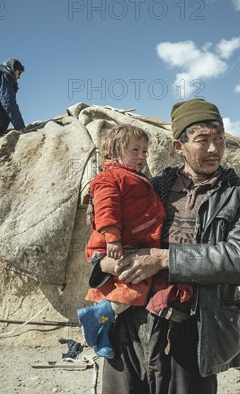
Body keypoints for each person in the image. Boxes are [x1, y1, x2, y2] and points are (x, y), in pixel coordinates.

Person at [88, 98, 240, 394]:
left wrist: (163, 259)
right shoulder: (151, 187)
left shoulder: (238, 194)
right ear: (178, 146)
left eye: (219, 139)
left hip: (191, 331)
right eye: (203, 140)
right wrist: (102, 262)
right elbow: (103, 237)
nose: (214, 149)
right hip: (130, 324)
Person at [78, 124, 192, 359]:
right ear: (114, 150)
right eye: (135, 150)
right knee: (133, 290)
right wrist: (113, 238)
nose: (141, 156)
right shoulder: (110, 177)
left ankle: (102, 333)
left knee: (123, 289)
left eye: (145, 151)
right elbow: (105, 209)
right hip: (118, 245)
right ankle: (96, 316)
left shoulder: (135, 177)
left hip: (128, 244)